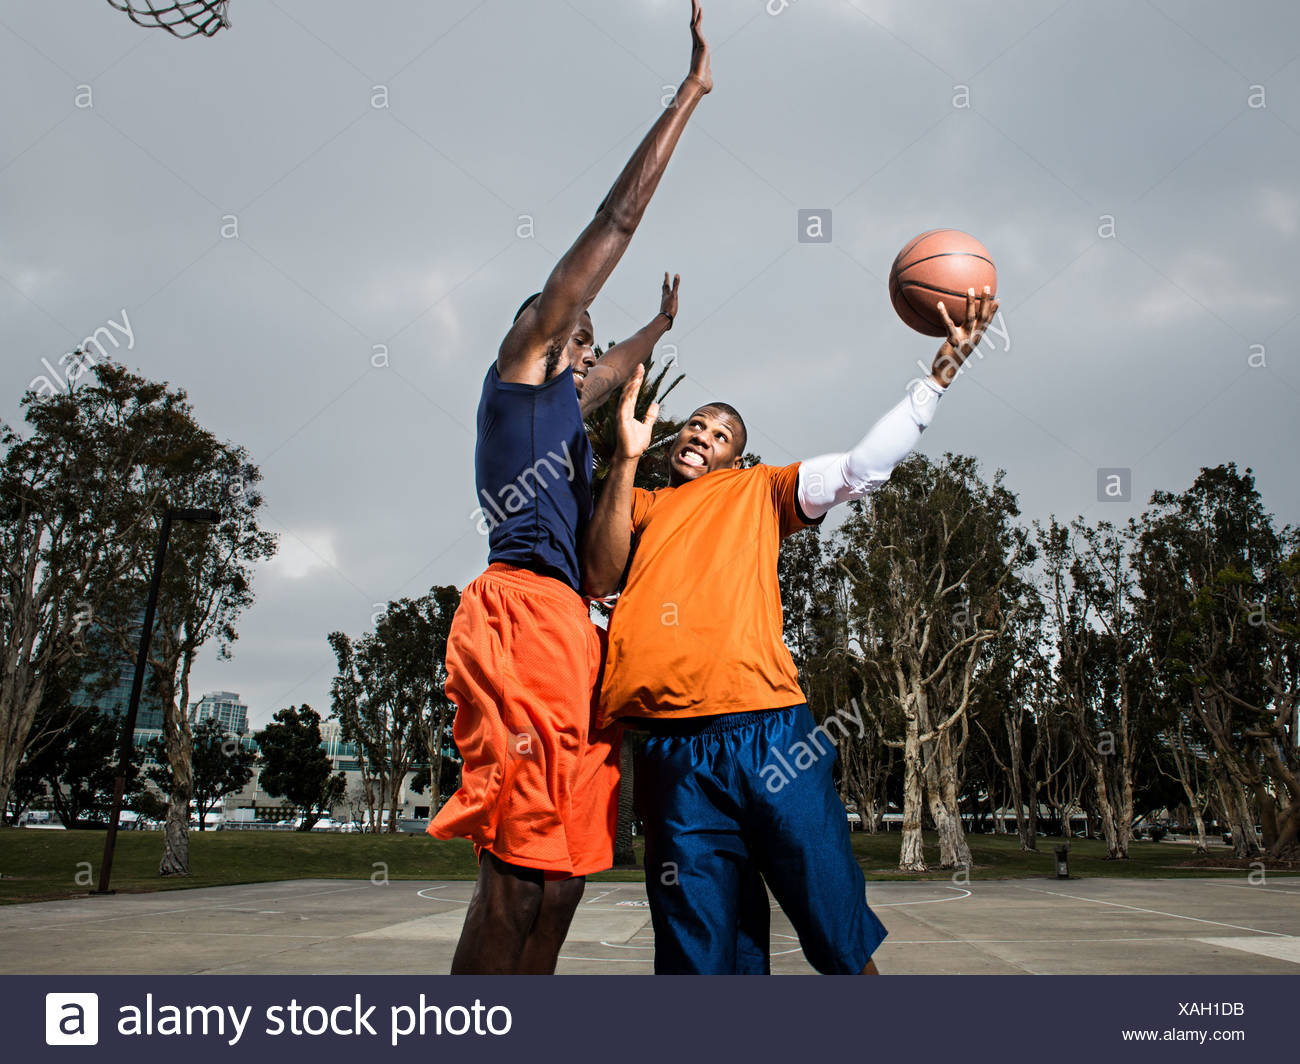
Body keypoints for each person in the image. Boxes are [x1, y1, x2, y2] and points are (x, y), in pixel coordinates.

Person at [582, 287, 1000, 974]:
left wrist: (937, 377)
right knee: (698, 953)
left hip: (770, 733)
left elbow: (864, 468)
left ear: (736, 459)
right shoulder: (643, 504)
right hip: (671, 752)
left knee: (832, 925)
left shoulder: (760, 492)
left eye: (721, 434)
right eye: (695, 425)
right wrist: (625, 460)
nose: (701, 435)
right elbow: (598, 577)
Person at [428, 1, 713, 975]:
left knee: (562, 881)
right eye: (569, 331)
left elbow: (603, 567)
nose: (582, 344)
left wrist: (658, 339)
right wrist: (688, 93)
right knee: (511, 877)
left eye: (589, 343)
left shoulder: (579, 441)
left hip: (574, 633)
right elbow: (617, 221)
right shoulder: (517, 379)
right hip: (513, 623)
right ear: (537, 335)